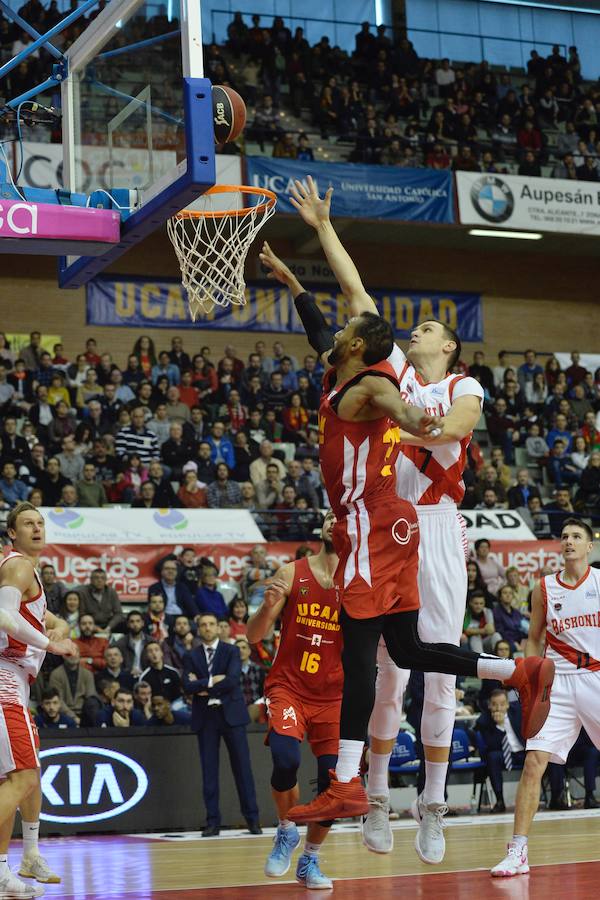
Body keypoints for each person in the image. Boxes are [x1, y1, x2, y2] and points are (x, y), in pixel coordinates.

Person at [264, 178, 553, 837]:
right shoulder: (385, 368)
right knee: (387, 670)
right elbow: (357, 296)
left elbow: (453, 428)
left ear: (447, 346)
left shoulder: (463, 384)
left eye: (427, 327)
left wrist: (417, 423)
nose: (414, 328)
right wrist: (322, 228)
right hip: (385, 524)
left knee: (437, 666)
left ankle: (430, 801)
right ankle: (374, 799)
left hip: (437, 527)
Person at [491, 519, 600, 877]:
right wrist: (532, 675)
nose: (568, 541)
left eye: (576, 537)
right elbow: (535, 637)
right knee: (534, 762)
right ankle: (518, 851)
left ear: (589, 547)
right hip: (559, 683)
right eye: (565, 537)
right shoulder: (545, 588)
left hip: (596, 676)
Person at [247, 510, 341, 889]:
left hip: (335, 694)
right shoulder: (290, 572)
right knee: (285, 759)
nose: (335, 521)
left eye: (343, 517)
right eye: (330, 516)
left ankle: (311, 859)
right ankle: (286, 828)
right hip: (288, 686)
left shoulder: (358, 582)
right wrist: (268, 607)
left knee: (334, 785)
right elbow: (255, 635)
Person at [0, 502, 77, 893]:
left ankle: (17, 863)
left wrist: (57, 625)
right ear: (12, 532)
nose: (36, 527)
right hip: (5, 680)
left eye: (40, 522)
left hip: (16, 681)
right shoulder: (19, 565)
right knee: (24, 777)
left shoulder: (23, 571)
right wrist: (52, 644)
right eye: (27, 523)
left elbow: (38, 615)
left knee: (18, 779)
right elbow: (4, 615)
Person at [183, 613, 261, 837]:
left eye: (211, 624)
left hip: (232, 715)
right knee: (209, 772)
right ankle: (212, 822)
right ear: (199, 629)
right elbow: (186, 686)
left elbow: (233, 679)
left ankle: (252, 819)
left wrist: (202, 686)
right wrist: (210, 681)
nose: (207, 628)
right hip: (205, 717)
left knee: (243, 770)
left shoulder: (232, 650)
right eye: (203, 625)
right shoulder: (191, 655)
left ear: (218, 628)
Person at [476, 689, 525, 813]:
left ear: (508, 704)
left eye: (502, 704)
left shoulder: (519, 711)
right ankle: (499, 801)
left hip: (522, 751)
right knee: (492, 757)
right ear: (489, 705)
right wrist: (500, 725)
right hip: (503, 755)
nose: (499, 708)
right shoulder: (483, 721)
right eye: (494, 704)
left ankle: (557, 797)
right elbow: (492, 746)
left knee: (542, 755)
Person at [77, 569, 125, 634]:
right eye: (96, 578)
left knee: (125, 624)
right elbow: (81, 614)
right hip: (90, 625)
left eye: (102, 578)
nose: (99, 580)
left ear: (105, 580)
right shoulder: (83, 592)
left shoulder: (111, 592)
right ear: (91, 580)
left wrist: (109, 627)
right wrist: (96, 628)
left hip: (108, 625)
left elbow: (119, 614)